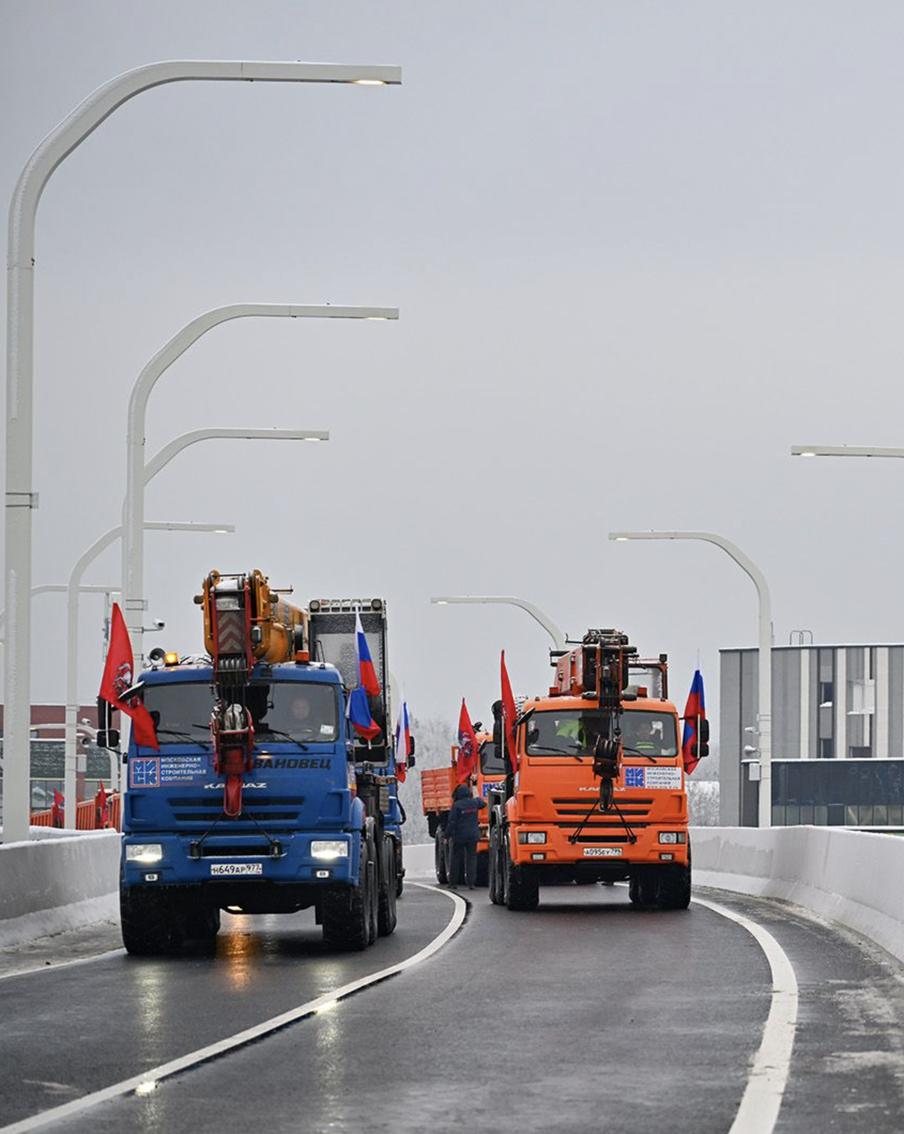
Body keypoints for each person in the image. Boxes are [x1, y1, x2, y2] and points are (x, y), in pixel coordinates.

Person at [445, 783, 487, 890]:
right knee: (471, 859)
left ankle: (453, 883)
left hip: (459, 836)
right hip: (473, 836)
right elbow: (483, 803)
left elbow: (452, 822)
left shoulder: (457, 805)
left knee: (455, 859)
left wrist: (447, 836)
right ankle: (471, 883)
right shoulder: (474, 803)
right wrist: (475, 789)